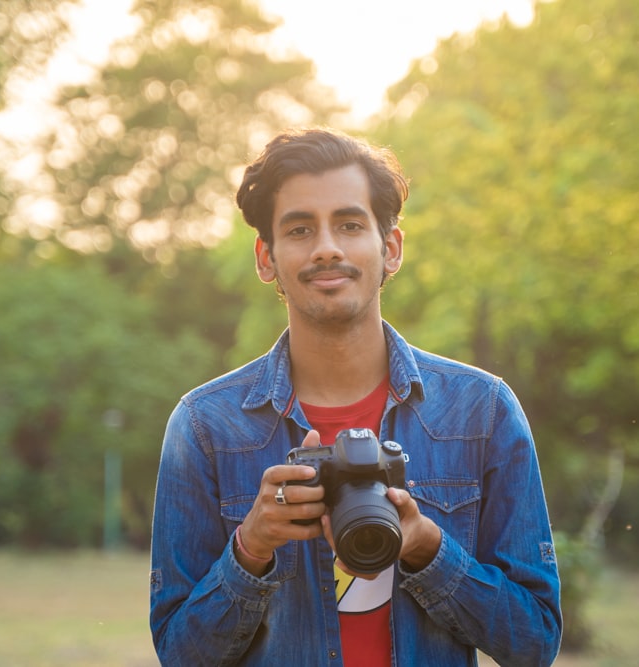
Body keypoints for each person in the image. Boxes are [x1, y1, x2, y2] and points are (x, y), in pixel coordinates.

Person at [149, 127, 562, 666]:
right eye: (299, 229)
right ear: (265, 257)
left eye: (349, 224)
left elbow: (534, 643)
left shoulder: (482, 411)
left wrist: (427, 548)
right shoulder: (205, 426)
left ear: (389, 248)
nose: (327, 247)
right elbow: (179, 655)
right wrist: (250, 548)